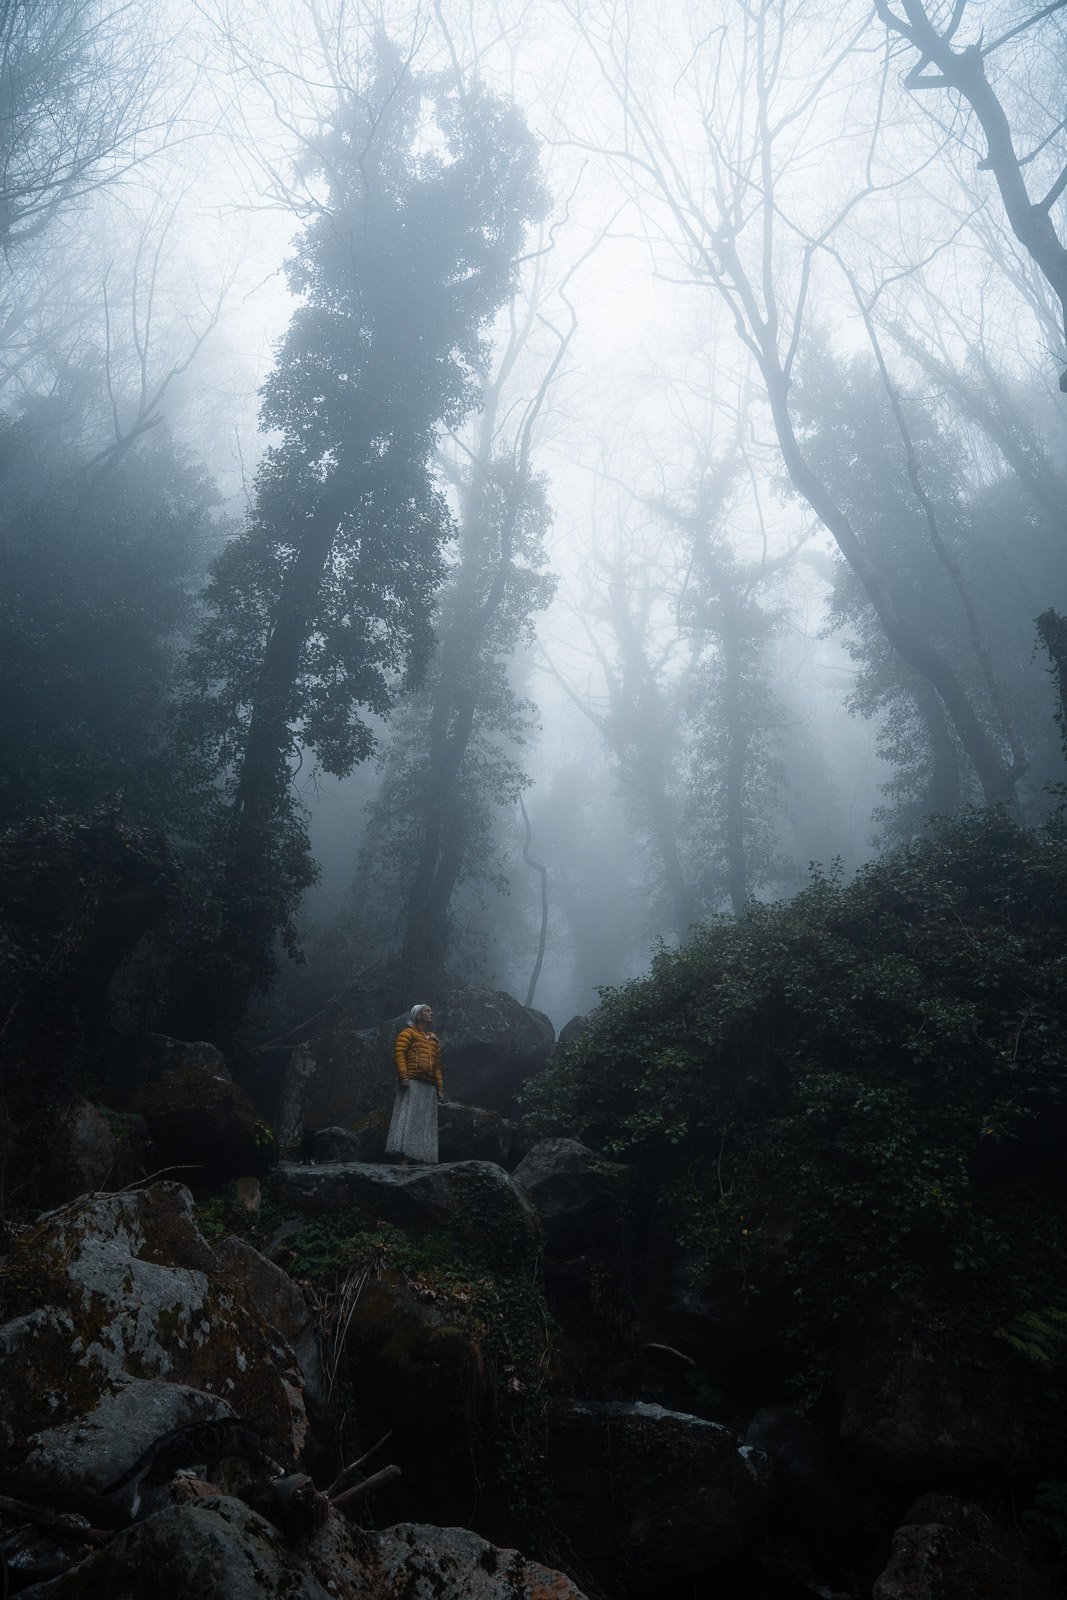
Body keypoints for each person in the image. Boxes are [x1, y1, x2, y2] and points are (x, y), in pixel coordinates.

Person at [386, 1004, 444, 1165]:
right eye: (427, 1011)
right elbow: (399, 1054)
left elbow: (437, 1066)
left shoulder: (433, 1039)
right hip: (412, 1082)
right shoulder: (408, 1033)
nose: (431, 1013)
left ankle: (423, 1158)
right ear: (418, 1015)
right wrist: (403, 1076)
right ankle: (404, 1158)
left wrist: (439, 1087)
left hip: (429, 1085)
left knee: (425, 1122)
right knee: (408, 1119)